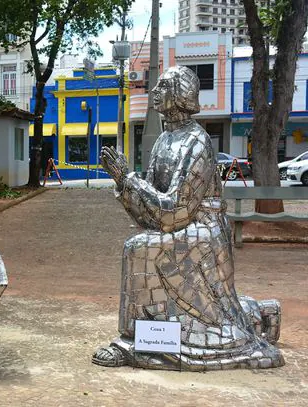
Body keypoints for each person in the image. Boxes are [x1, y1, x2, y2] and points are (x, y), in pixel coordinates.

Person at [93, 66, 284, 370]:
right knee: (142, 245)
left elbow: (174, 212)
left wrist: (128, 179)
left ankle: (134, 340)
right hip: (183, 224)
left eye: (164, 87)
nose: (155, 93)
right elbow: (152, 211)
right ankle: (254, 312)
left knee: (138, 249)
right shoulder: (164, 141)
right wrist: (123, 183)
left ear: (181, 95)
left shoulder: (197, 142)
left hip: (204, 231)